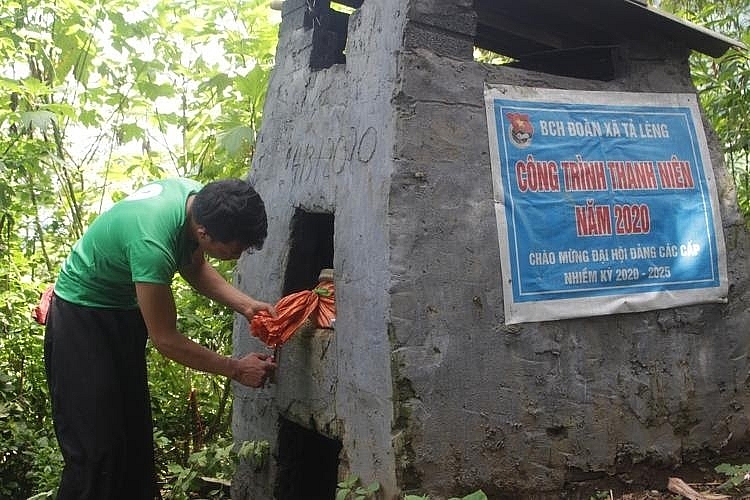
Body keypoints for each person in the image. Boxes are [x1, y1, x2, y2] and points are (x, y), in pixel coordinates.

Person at [43, 177, 278, 499]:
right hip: (80, 318)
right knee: (96, 451)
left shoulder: (201, 202)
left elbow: (194, 266)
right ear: (203, 234)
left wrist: (248, 306)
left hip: (122, 312)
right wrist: (236, 369)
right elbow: (165, 339)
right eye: (234, 250)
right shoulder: (151, 243)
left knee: (134, 443)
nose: (239, 257)